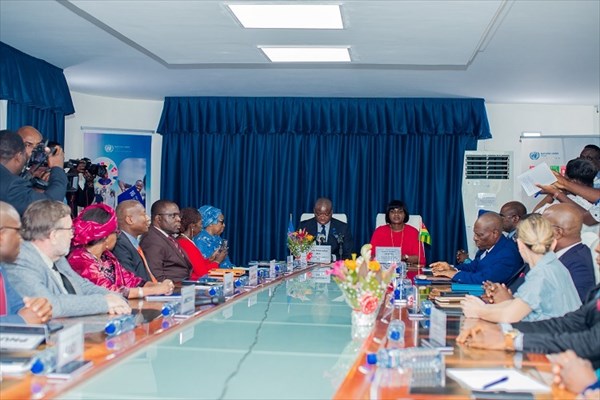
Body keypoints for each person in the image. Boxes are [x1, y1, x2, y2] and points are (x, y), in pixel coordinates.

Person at [456, 235, 600, 368]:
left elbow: (591, 342)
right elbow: (567, 323)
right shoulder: (594, 289)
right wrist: (505, 332)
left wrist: (510, 339)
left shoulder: (545, 271)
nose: (597, 248)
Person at [3, 200, 131, 317]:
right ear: (54, 235)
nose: (72, 235)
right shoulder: (20, 260)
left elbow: (83, 286)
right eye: (70, 229)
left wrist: (115, 298)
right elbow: (49, 305)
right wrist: (104, 303)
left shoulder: (57, 257)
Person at [461, 214, 581, 322]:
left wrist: (478, 310)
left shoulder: (541, 274)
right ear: (553, 243)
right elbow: (522, 307)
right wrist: (497, 303)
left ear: (520, 244)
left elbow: (511, 315)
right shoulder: (554, 265)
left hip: (551, 337)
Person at [67, 204, 174, 299]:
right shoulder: (79, 259)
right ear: (105, 237)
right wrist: (154, 290)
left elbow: (133, 281)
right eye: (116, 232)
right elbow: (108, 291)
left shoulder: (107, 257)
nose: (117, 236)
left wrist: (161, 286)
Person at [431, 212, 523, 284]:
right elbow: (473, 267)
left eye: (479, 235)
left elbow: (485, 280)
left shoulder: (508, 254)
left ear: (494, 233)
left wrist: (453, 274)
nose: (474, 238)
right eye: (475, 233)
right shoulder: (487, 248)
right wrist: (451, 268)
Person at [0, 201, 52, 324]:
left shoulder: (2, 270)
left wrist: (38, 309)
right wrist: (22, 320)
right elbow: (22, 317)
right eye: (17, 231)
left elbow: (17, 306)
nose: (21, 239)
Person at [0, 130, 67, 215]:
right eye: (28, 145)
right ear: (18, 156)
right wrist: (57, 167)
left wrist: (30, 174)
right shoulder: (11, 185)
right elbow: (49, 207)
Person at [140, 200, 193, 282]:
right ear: (158, 219)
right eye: (173, 216)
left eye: (179, 215)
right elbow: (156, 277)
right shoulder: (152, 240)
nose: (178, 219)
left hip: (184, 285)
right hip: (173, 288)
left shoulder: (167, 236)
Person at [370, 200, 425, 267]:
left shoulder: (413, 232)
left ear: (405, 214)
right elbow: (370, 256)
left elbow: (420, 259)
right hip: (383, 271)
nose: (396, 214)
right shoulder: (379, 231)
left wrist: (404, 257)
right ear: (388, 215)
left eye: (400, 211)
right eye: (392, 212)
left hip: (407, 270)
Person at [113, 200, 155, 282]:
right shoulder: (119, 244)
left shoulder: (132, 242)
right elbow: (130, 280)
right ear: (130, 220)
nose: (148, 218)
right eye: (144, 214)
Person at [177, 208, 221, 280]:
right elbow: (203, 274)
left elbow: (197, 265)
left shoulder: (182, 240)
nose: (201, 227)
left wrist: (210, 260)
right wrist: (217, 261)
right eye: (200, 224)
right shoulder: (186, 244)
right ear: (192, 226)